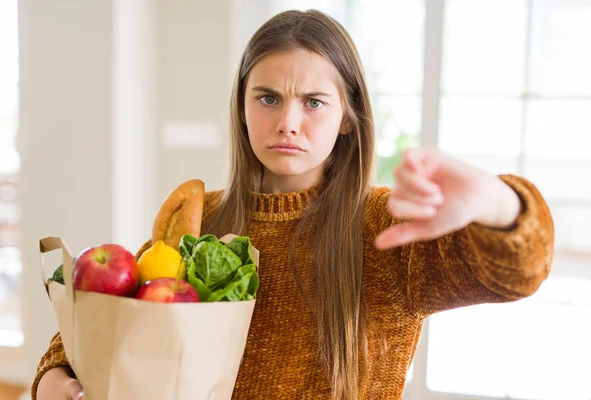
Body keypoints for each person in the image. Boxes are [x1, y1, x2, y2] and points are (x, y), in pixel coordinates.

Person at [33, 9, 554, 400]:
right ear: (241, 108)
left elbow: (518, 271)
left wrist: (496, 201)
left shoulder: (385, 227)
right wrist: (55, 377)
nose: (287, 121)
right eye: (267, 98)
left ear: (348, 118)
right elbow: (103, 328)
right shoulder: (198, 224)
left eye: (313, 102)